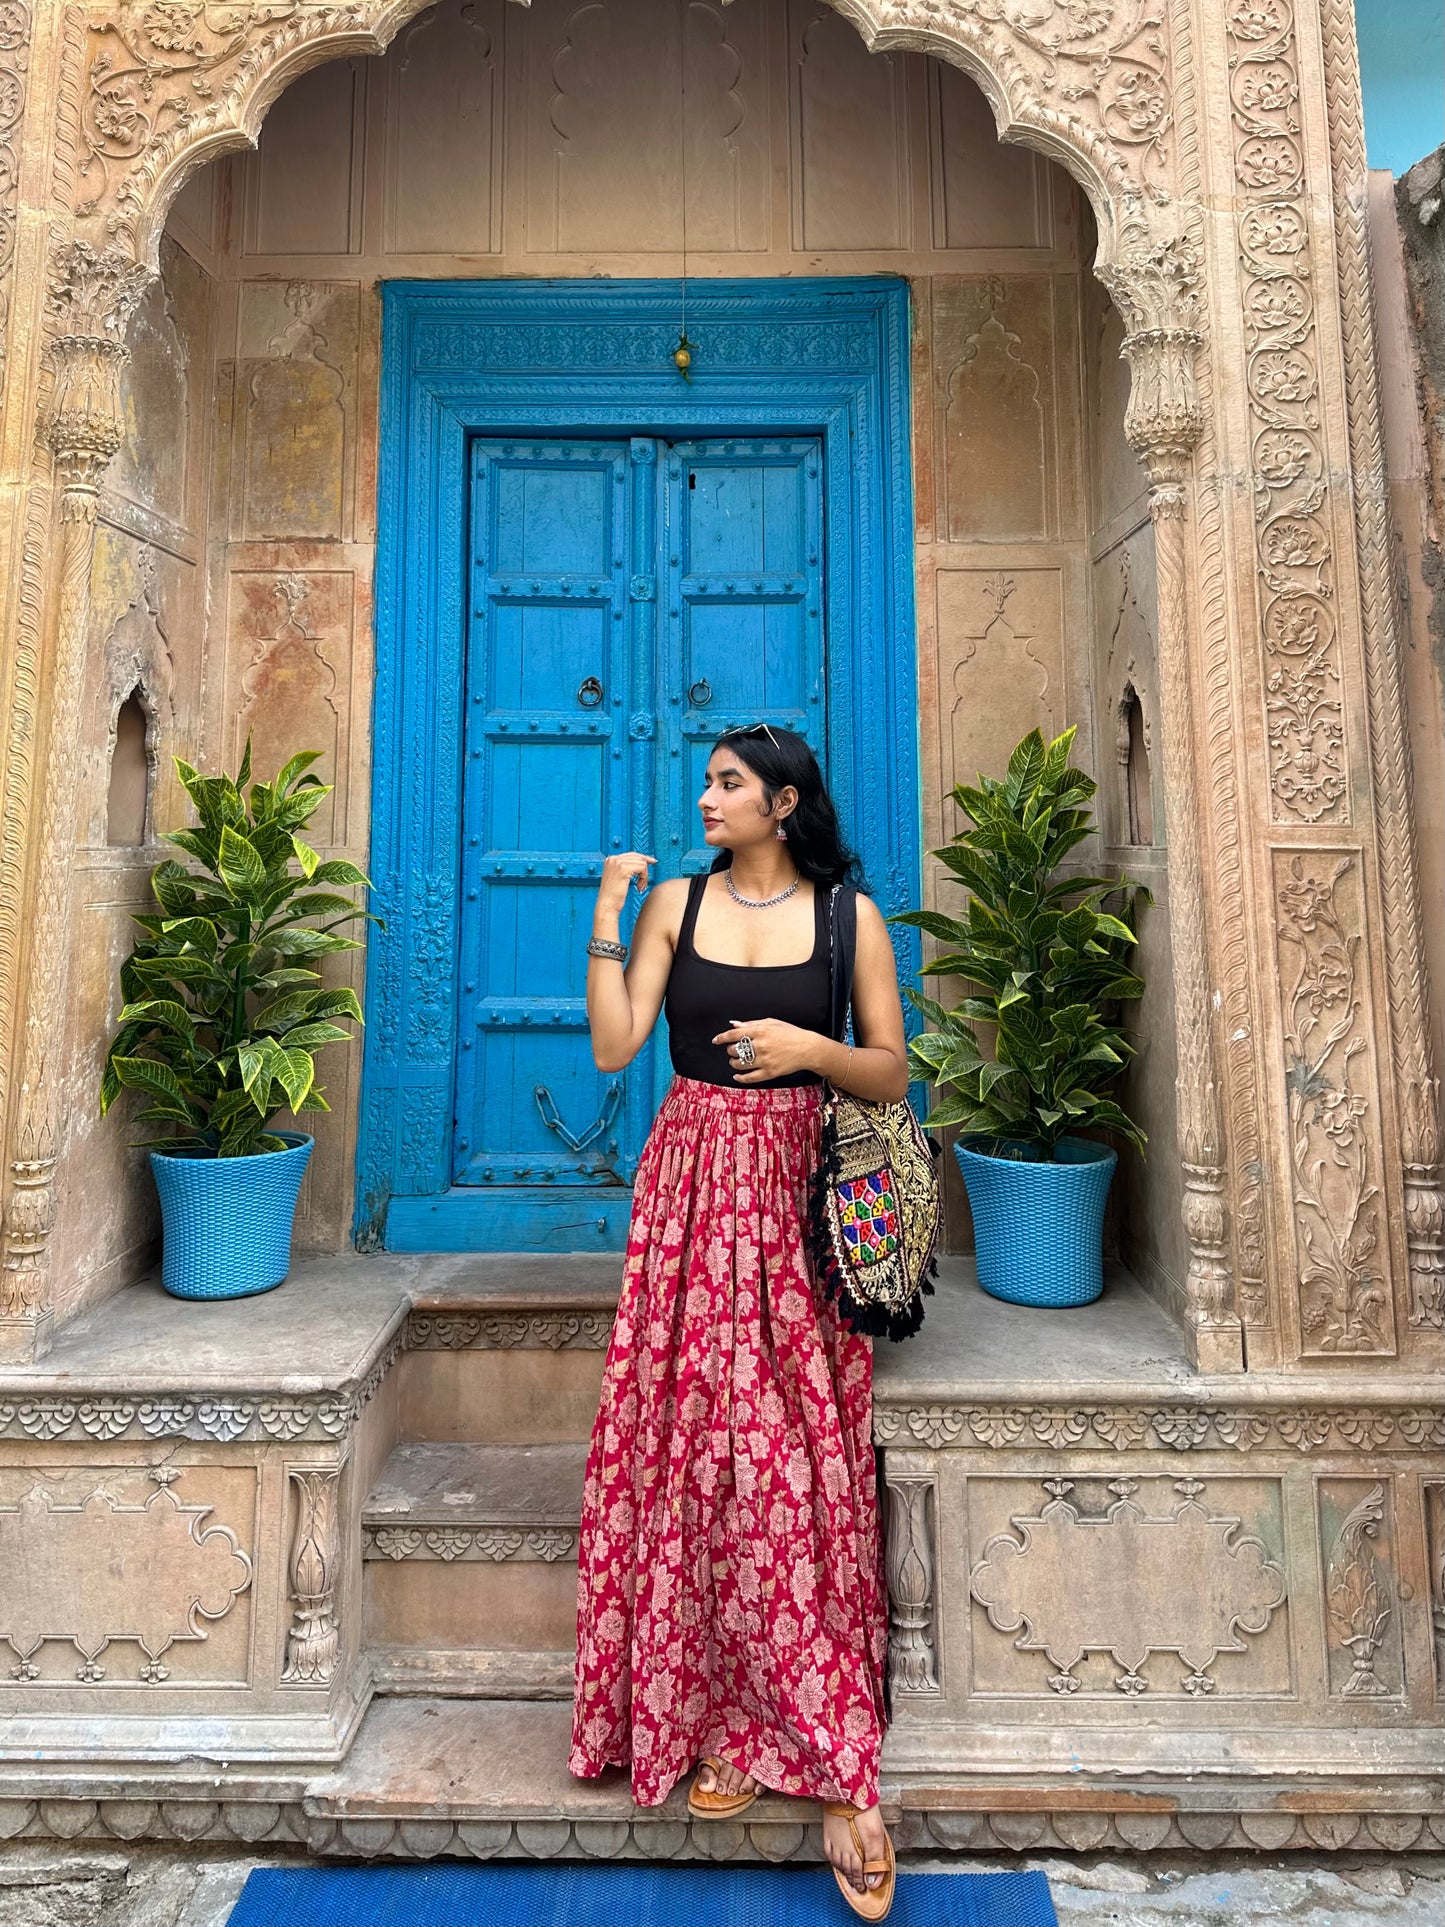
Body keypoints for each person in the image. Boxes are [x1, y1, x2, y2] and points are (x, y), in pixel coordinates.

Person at [568, 724, 909, 1919]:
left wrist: (810, 1046)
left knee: (785, 1467)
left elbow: (888, 1071)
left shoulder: (845, 919)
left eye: (726, 783)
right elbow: (618, 1045)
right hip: (687, 1197)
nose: (704, 797)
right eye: (707, 782)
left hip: (796, 1206)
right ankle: (710, 1709)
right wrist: (611, 912)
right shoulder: (674, 902)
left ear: (784, 799)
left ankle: (812, 1736)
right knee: (693, 1458)